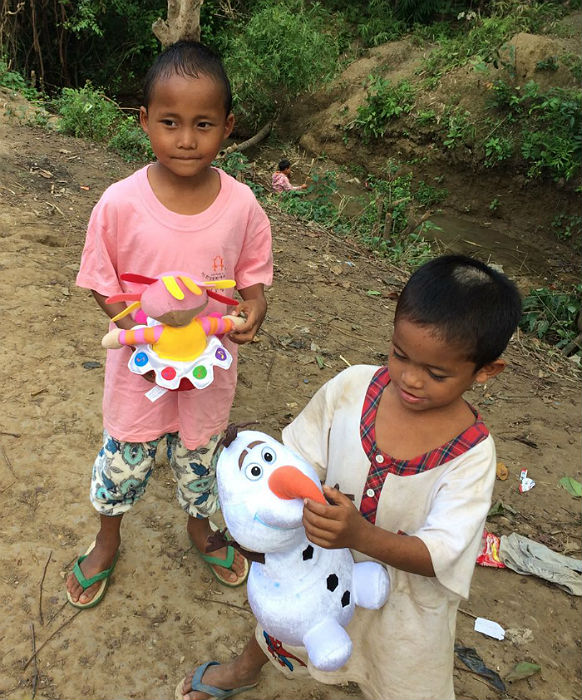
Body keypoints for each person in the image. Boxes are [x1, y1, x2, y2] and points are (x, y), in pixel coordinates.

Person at [175, 254, 522, 700]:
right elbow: (294, 460)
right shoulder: (352, 388)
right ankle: (245, 668)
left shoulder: (472, 456)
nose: (410, 379)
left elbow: (441, 554)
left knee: (400, 675)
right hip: (314, 569)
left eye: (436, 373)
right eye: (400, 354)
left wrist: (361, 535)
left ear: (486, 371)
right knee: (286, 626)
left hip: (406, 604)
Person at [66, 40, 273, 608]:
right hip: (139, 376)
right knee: (123, 461)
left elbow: (252, 274)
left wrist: (253, 307)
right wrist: (145, 333)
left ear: (228, 127)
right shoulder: (118, 204)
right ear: (144, 121)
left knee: (199, 456)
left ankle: (199, 528)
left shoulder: (242, 206)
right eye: (170, 122)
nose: (186, 139)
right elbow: (102, 279)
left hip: (208, 375)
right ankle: (107, 538)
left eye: (203, 123)